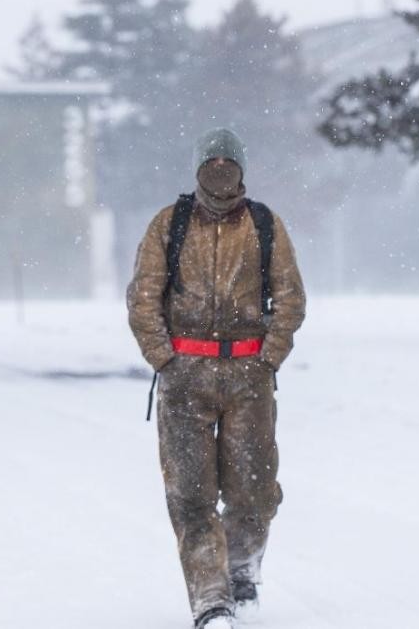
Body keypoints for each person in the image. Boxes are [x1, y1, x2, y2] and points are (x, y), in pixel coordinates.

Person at [126, 127, 307, 629]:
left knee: (254, 493)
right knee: (191, 497)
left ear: (243, 169)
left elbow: (291, 299)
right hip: (184, 381)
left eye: (230, 160)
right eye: (213, 160)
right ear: (198, 167)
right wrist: (165, 358)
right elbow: (143, 297)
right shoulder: (170, 223)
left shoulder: (265, 225)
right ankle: (211, 601)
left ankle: (242, 570)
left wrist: (268, 358)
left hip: (249, 381)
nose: (220, 167)